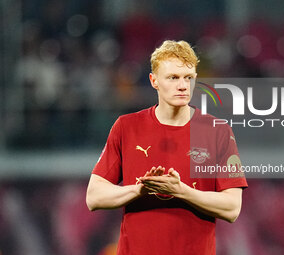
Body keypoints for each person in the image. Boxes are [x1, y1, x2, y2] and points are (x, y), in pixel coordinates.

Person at [86, 40, 248, 255]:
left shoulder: (218, 131)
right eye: (173, 78)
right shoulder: (126, 127)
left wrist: (182, 191)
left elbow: (232, 208)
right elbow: (94, 197)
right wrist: (140, 189)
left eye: (188, 78)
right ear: (154, 81)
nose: (182, 85)